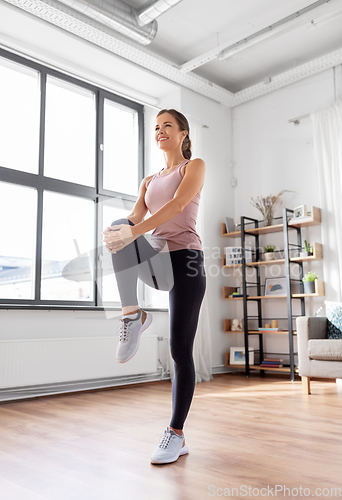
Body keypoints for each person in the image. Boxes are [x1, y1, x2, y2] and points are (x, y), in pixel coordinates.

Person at [102, 108, 206, 465]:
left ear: (183, 134)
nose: (160, 131)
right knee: (119, 224)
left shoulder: (193, 167)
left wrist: (134, 231)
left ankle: (176, 433)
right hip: (159, 260)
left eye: (168, 126)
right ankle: (133, 316)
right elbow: (134, 217)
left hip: (187, 261)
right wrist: (119, 232)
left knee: (180, 349)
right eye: (157, 127)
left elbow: (178, 205)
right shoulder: (149, 180)